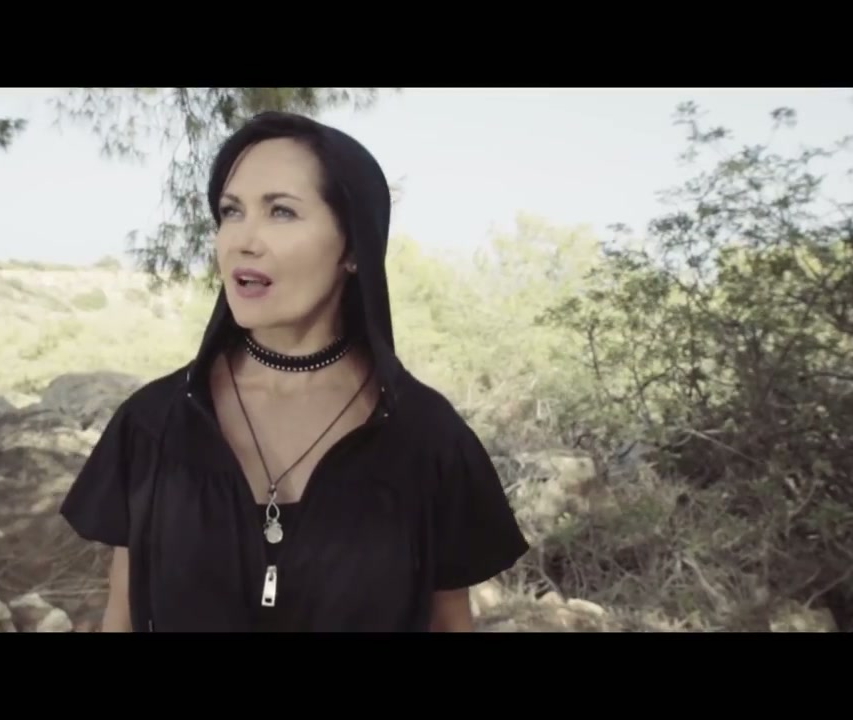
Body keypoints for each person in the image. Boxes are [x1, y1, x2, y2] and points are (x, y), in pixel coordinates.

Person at [59, 110, 529, 632]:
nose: (243, 239)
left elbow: (448, 623)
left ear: (353, 246)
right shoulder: (152, 425)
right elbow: (122, 616)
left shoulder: (429, 439)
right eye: (231, 211)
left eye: (280, 211)